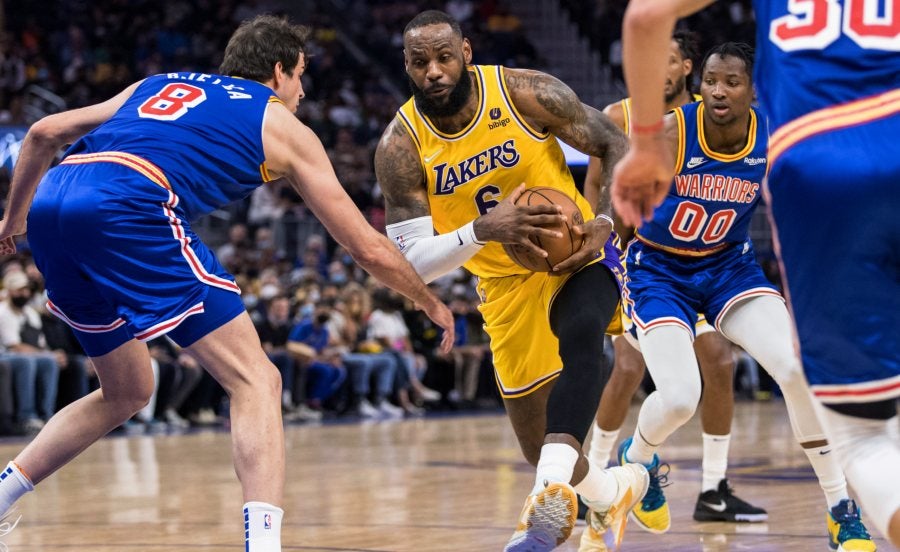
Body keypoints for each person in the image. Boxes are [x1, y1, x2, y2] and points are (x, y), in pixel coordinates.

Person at [0, 15, 454, 552]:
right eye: (301, 75)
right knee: (257, 381)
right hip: (128, 202)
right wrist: (427, 299)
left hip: (54, 199)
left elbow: (42, 133)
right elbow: (366, 247)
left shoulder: (159, 83)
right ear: (279, 70)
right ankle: (263, 547)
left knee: (127, 391)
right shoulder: (281, 124)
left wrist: (12, 226)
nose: (303, 91)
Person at [613, 1, 900, 548]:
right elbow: (627, 207)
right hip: (661, 271)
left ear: (753, 88)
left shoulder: (774, 132)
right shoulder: (670, 133)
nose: (718, 91)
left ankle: (841, 508)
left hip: (728, 266)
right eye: (710, 81)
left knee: (794, 367)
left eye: (731, 82)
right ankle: (641, 458)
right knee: (678, 398)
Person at [373, 10, 649, 551]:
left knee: (583, 333)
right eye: (419, 61)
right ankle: (615, 488)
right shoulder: (400, 148)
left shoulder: (524, 93)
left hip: (575, 254)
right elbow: (413, 264)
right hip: (502, 287)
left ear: (466, 52)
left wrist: (603, 221)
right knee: (535, 440)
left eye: (444, 56)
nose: (433, 70)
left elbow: (614, 142)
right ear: (406, 65)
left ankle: (539, 512)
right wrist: (481, 231)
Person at [583, 30, 765, 526]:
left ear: (687, 68)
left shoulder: (711, 116)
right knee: (626, 369)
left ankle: (714, 488)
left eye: (665, 62)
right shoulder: (622, 117)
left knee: (720, 362)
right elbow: (599, 184)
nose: (653, 71)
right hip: (645, 263)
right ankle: (596, 478)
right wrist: (606, 252)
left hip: (706, 264)